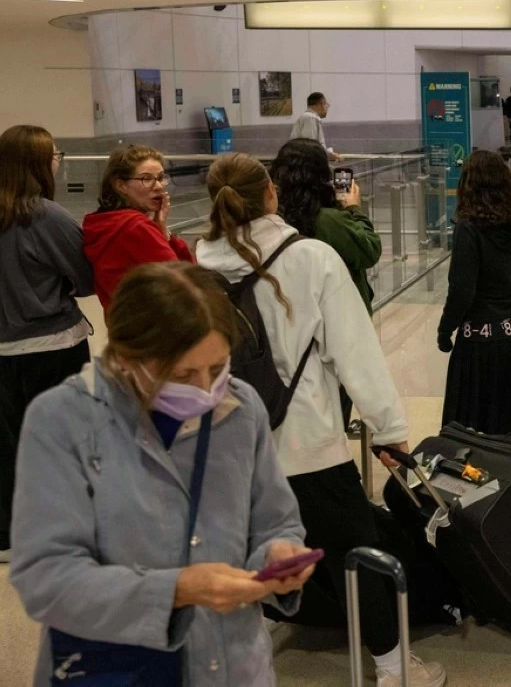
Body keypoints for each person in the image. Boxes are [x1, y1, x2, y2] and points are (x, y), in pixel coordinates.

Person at [195, 154, 444, 687]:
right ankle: (395, 669)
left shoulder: (201, 261)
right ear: (269, 195)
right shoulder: (311, 257)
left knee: (248, 549)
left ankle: (250, 657)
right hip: (308, 442)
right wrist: (389, 429)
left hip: (230, 444)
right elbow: (356, 355)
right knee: (354, 552)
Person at [9, 261, 313, 685]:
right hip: (114, 666)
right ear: (128, 357)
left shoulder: (241, 410)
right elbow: (46, 579)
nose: (207, 390)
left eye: (218, 367)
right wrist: (177, 590)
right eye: (184, 375)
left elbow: (275, 520)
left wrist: (279, 554)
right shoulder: (63, 420)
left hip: (231, 665)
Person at [0, 125, 94, 565]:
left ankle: (10, 535)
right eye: (55, 153)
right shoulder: (45, 216)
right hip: (51, 346)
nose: (59, 160)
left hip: (4, 352)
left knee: (9, 444)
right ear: (40, 163)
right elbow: (85, 275)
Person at [436, 151, 511, 441]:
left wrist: (445, 330)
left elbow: (462, 289)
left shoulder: (469, 227)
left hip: (480, 340)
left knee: (475, 429)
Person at [269, 138, 381, 312]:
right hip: (339, 313)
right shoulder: (328, 220)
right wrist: (353, 208)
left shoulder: (274, 217)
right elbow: (369, 249)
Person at [83, 144, 195, 312]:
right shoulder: (136, 227)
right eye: (146, 179)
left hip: (126, 327)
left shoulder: (105, 223)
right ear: (121, 186)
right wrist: (163, 235)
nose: (158, 186)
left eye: (160, 177)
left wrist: (161, 229)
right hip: (158, 328)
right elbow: (188, 281)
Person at [290, 91, 338, 160]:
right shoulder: (310, 118)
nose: (327, 108)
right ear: (320, 105)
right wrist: (330, 155)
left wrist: (328, 154)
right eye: (326, 105)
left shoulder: (309, 117)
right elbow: (310, 146)